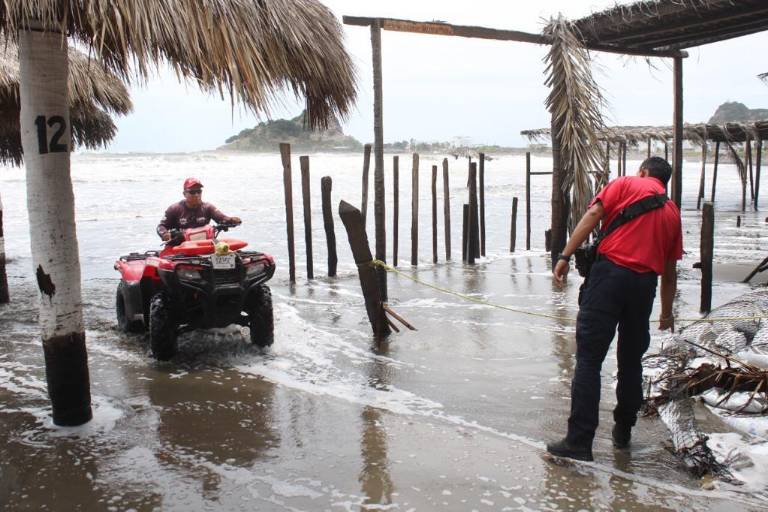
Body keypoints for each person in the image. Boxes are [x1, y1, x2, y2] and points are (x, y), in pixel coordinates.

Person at [546, 156, 683, 462]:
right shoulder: (673, 212)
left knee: (590, 360)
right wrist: (665, 313)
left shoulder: (625, 183)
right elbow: (670, 270)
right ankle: (622, 433)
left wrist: (565, 255)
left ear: (644, 172)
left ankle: (579, 442)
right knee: (631, 361)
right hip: (644, 286)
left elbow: (594, 214)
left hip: (609, 278)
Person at [156, 177, 241, 241]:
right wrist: (165, 234)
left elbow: (222, 218)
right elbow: (161, 226)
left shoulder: (208, 207)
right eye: (192, 192)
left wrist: (232, 220)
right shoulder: (174, 209)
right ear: (184, 194)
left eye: (199, 191)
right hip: (180, 246)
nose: (196, 195)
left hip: (204, 244)